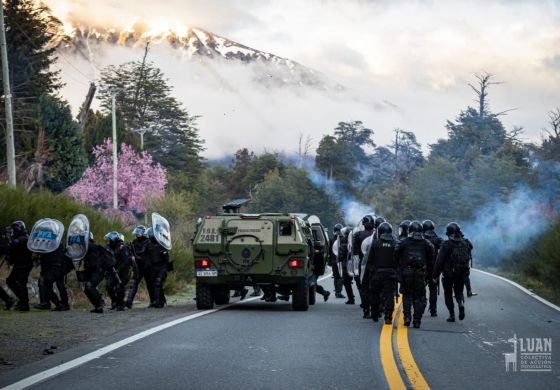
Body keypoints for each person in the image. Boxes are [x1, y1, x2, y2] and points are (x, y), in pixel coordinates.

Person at [395, 220, 434, 328]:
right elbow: (431, 258)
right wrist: (428, 273)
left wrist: (399, 269)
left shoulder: (404, 242)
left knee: (407, 295)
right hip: (420, 273)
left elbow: (396, 254)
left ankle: (407, 317)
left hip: (406, 272)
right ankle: (417, 320)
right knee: (419, 297)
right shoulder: (426, 243)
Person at [432, 222, 473, 322]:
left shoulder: (446, 244)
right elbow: (470, 248)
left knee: (448, 293)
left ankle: (452, 315)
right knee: (459, 291)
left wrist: (435, 275)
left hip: (448, 274)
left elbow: (439, 261)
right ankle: (461, 304)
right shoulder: (466, 242)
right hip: (462, 272)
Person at [365, 222, 398, 325]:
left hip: (377, 274)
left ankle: (375, 314)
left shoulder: (375, 243)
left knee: (374, 295)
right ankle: (388, 317)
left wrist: (370, 271)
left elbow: (368, 260)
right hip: (391, 274)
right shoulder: (395, 243)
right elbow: (398, 260)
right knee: (389, 295)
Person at [0, 221, 33, 311]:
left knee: (21, 283)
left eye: (14, 230)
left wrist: (8, 242)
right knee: (11, 281)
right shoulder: (18, 238)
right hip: (19, 264)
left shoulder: (23, 238)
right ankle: (22, 301)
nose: (12, 232)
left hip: (24, 264)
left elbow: (13, 245)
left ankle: (24, 304)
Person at [82, 233, 113, 313]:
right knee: (87, 288)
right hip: (92, 270)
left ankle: (100, 303)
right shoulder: (86, 247)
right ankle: (98, 306)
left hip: (99, 270)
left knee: (89, 286)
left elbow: (87, 246)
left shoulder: (91, 245)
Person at [105, 231, 135, 311]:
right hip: (112, 270)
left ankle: (120, 304)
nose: (109, 242)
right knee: (108, 285)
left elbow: (125, 262)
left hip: (123, 272)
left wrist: (118, 270)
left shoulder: (123, 247)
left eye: (110, 240)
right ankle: (114, 302)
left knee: (119, 287)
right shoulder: (108, 248)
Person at [352, 215, 375, 318]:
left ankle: (366, 311)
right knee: (375, 288)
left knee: (364, 288)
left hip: (363, 265)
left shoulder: (358, 235)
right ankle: (376, 310)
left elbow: (354, 253)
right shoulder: (377, 235)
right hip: (376, 265)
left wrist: (355, 269)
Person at [126, 226, 152, 308]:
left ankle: (154, 301)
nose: (137, 235)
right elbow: (130, 253)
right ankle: (129, 302)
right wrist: (131, 257)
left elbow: (150, 256)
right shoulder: (134, 242)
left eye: (139, 233)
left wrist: (139, 258)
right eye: (136, 233)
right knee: (133, 284)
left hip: (147, 267)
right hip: (137, 267)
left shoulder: (148, 242)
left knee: (150, 284)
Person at [422, 220, 443, 317]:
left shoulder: (421, 239)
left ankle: (422, 305)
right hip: (434, 268)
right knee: (433, 289)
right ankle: (433, 310)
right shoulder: (438, 239)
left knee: (421, 288)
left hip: (423, 267)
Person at [146, 227, 171, 308]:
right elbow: (147, 256)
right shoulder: (149, 245)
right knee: (154, 285)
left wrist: (165, 268)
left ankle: (158, 302)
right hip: (153, 267)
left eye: (150, 235)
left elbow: (166, 259)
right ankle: (161, 300)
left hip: (162, 267)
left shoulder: (162, 244)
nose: (149, 237)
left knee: (158, 282)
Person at [338, 227, 355, 304]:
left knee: (347, 282)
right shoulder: (355, 238)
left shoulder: (343, 240)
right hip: (356, 262)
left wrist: (340, 259)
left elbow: (340, 253)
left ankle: (351, 299)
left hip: (347, 263)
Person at [330, 223, 345, 298]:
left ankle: (337, 291)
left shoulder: (331, 238)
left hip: (333, 260)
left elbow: (329, 250)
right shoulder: (343, 239)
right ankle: (338, 292)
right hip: (340, 260)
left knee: (336, 277)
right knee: (341, 277)